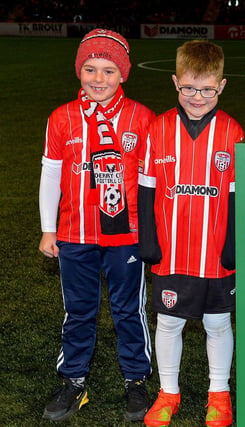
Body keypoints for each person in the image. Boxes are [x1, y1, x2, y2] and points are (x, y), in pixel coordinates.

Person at [38, 28, 154, 422]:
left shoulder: (141, 117)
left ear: (123, 75)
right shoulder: (62, 117)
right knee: (79, 310)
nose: (98, 79)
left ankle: (136, 381)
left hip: (127, 235)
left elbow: (151, 181)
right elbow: (51, 175)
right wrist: (48, 228)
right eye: (90, 69)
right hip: (74, 234)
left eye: (108, 70)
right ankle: (73, 381)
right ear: (79, 71)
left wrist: (153, 232)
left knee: (128, 309)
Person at [138, 40, 244, 427]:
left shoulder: (232, 131)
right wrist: (148, 240)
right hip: (171, 250)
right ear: (175, 83)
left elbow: (235, 195)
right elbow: (147, 187)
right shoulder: (157, 128)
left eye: (207, 89)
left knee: (218, 323)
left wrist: (232, 245)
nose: (197, 97)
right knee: (169, 322)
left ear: (222, 86)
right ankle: (168, 391)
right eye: (189, 88)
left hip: (215, 252)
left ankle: (219, 393)